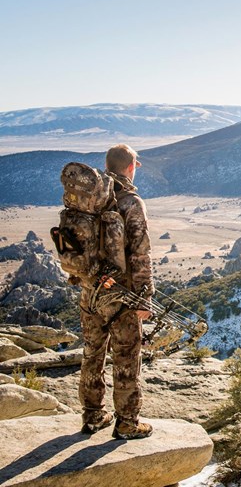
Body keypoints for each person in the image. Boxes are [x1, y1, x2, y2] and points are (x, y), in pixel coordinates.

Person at [79, 144, 155, 439]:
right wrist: (144, 298)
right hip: (120, 294)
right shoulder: (130, 202)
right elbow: (139, 254)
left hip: (90, 290)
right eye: (136, 164)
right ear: (131, 166)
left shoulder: (90, 197)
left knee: (92, 353)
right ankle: (127, 422)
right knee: (126, 356)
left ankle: (93, 415)